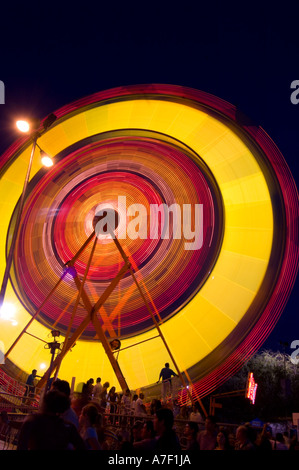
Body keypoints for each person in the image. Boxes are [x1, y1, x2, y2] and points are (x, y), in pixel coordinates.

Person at [17, 389, 85, 450]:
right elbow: (81, 446)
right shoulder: (68, 427)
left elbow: (21, 445)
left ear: (45, 404)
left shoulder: (32, 420)